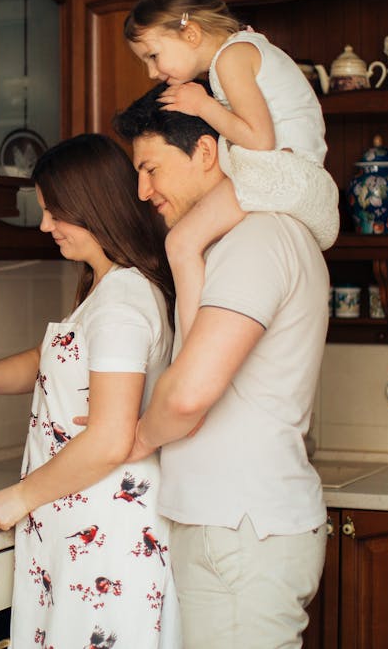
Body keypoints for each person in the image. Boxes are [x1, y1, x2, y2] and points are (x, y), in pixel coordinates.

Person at [0, 134, 181, 648]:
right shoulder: (108, 289)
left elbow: (111, 438)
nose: (45, 225)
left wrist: (21, 496)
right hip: (84, 521)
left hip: (105, 535)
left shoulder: (120, 303)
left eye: (54, 212)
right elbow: (60, 360)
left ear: (94, 207)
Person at [112, 86, 329, 648]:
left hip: (242, 530)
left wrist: (137, 436)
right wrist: (184, 249)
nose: (143, 190)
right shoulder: (221, 243)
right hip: (230, 525)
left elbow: (189, 396)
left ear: (206, 152)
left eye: (151, 168)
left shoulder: (259, 238)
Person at [125, 0, 340, 338]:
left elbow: (259, 138)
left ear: (191, 33)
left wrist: (202, 105)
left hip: (280, 173)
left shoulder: (231, 59)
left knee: (181, 242)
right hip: (297, 175)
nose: (151, 72)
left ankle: (189, 351)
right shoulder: (245, 48)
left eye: (154, 56)